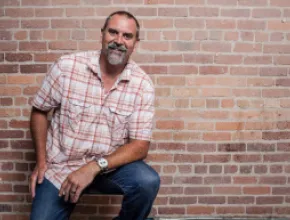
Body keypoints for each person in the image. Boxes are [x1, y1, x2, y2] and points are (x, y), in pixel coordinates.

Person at [29, 11, 160, 220]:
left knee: (147, 181)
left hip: (107, 168)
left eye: (127, 36)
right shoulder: (67, 67)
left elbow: (140, 146)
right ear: (102, 34)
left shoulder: (142, 84)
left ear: (136, 43)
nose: (119, 41)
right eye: (113, 32)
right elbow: (39, 111)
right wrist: (41, 161)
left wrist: (93, 167)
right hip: (61, 167)